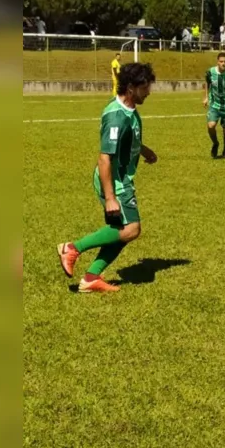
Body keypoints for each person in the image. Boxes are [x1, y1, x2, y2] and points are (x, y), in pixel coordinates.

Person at [56, 63, 158, 293]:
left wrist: (143, 149)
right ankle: (72, 248)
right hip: (115, 180)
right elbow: (104, 159)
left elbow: (126, 138)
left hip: (121, 178)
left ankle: (91, 278)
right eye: (145, 87)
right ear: (131, 88)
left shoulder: (128, 109)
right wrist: (110, 196)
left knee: (120, 232)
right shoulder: (116, 117)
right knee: (131, 229)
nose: (148, 92)